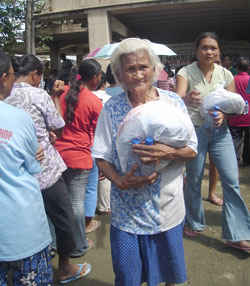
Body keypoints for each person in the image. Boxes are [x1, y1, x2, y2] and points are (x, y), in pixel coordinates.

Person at [92, 38, 198, 286]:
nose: (138, 75)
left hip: (166, 208)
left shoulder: (172, 103)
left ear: (154, 69)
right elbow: (100, 154)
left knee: (171, 274)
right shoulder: (112, 109)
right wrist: (118, 181)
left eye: (143, 67)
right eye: (130, 69)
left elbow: (192, 148)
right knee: (129, 277)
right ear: (119, 75)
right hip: (127, 212)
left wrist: (167, 152)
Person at [5, 54, 91, 284]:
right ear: (35, 74)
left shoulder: (6, 96)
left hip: (13, 172)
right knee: (63, 218)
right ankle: (64, 267)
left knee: (26, 219)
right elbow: (59, 127)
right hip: (45, 171)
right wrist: (54, 98)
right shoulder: (38, 94)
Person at [176, 31, 250, 250]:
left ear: (219, 52)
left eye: (213, 48)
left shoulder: (226, 74)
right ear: (197, 50)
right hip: (195, 132)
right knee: (195, 180)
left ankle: (236, 234)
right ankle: (194, 221)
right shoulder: (185, 72)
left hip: (221, 133)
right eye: (204, 47)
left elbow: (235, 105)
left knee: (231, 180)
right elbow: (174, 102)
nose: (209, 51)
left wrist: (224, 116)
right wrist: (185, 99)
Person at [0, 50, 53, 285]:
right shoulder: (18, 118)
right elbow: (33, 165)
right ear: (3, 78)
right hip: (22, 228)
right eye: (13, 74)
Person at [54, 59, 103, 256]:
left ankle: (59, 244)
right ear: (94, 79)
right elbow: (98, 135)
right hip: (80, 157)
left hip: (57, 155)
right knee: (76, 204)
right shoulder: (94, 101)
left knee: (61, 204)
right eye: (99, 77)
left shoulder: (60, 93)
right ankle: (79, 246)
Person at [229, 57, 250, 166]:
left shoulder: (233, 80)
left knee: (235, 139)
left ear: (237, 68)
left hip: (235, 115)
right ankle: (247, 160)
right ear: (249, 68)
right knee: (248, 140)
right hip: (248, 116)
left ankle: (235, 160)